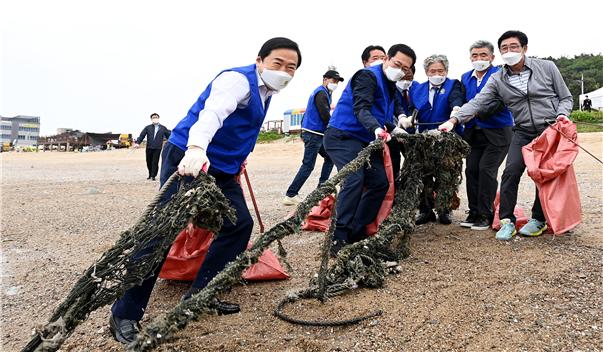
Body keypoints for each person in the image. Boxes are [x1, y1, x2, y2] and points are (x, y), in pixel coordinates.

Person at [108, 37, 302, 344]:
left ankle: (201, 296)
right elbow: (211, 114)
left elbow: (239, 128)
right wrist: (196, 148)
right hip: (190, 159)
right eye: (278, 63)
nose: (284, 71)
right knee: (161, 232)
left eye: (292, 68)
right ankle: (125, 313)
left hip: (222, 169)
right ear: (260, 60)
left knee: (238, 225)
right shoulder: (237, 80)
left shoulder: (267, 91)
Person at [438, 30, 573, 241]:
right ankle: (507, 220)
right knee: (511, 171)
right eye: (504, 48)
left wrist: (562, 115)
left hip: (549, 129)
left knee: (544, 175)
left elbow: (565, 97)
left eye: (513, 47)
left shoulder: (547, 67)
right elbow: (478, 102)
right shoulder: (498, 78)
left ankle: (538, 219)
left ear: (524, 48)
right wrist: (454, 120)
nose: (509, 51)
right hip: (522, 130)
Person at [324, 43, 416, 256]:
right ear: (386, 59)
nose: (400, 70)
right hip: (343, 136)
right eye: (397, 64)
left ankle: (357, 231)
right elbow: (361, 108)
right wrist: (375, 128)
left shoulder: (390, 84)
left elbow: (384, 116)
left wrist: (396, 129)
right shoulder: (367, 76)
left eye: (405, 68)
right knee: (354, 179)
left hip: (365, 140)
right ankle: (338, 236)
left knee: (379, 183)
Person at [401, 54, 465, 225]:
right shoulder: (417, 88)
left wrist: (454, 113)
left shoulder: (453, 85)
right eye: (432, 71)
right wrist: (408, 118)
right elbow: (412, 108)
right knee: (423, 174)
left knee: (446, 175)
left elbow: (456, 100)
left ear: (446, 71)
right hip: (423, 138)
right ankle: (425, 210)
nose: (437, 74)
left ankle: (444, 210)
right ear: (426, 72)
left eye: (440, 70)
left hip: (446, 137)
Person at [458, 40, 514, 231]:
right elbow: (463, 100)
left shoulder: (501, 75)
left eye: (483, 55)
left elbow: (500, 101)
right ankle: (473, 211)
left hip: (498, 132)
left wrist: (477, 112)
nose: (479, 59)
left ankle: (485, 214)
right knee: (471, 170)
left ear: (492, 57)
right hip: (474, 133)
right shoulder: (466, 77)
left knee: (486, 170)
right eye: (475, 55)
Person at [282, 69, 342, 205]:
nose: (335, 83)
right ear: (325, 79)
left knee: (330, 157)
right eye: (333, 80)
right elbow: (325, 115)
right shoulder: (321, 93)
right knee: (308, 165)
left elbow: (308, 113)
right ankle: (291, 194)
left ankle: (322, 188)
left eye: (337, 81)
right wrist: (336, 130)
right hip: (314, 134)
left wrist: (303, 131)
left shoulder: (324, 92)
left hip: (316, 134)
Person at [133, 113, 171, 180]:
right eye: (153, 117)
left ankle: (153, 175)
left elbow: (169, 136)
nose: (155, 118)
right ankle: (150, 174)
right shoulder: (147, 128)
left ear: (158, 118)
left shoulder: (163, 128)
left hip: (158, 147)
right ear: (151, 119)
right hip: (149, 147)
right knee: (149, 161)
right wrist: (137, 143)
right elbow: (142, 135)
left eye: (156, 117)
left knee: (155, 162)